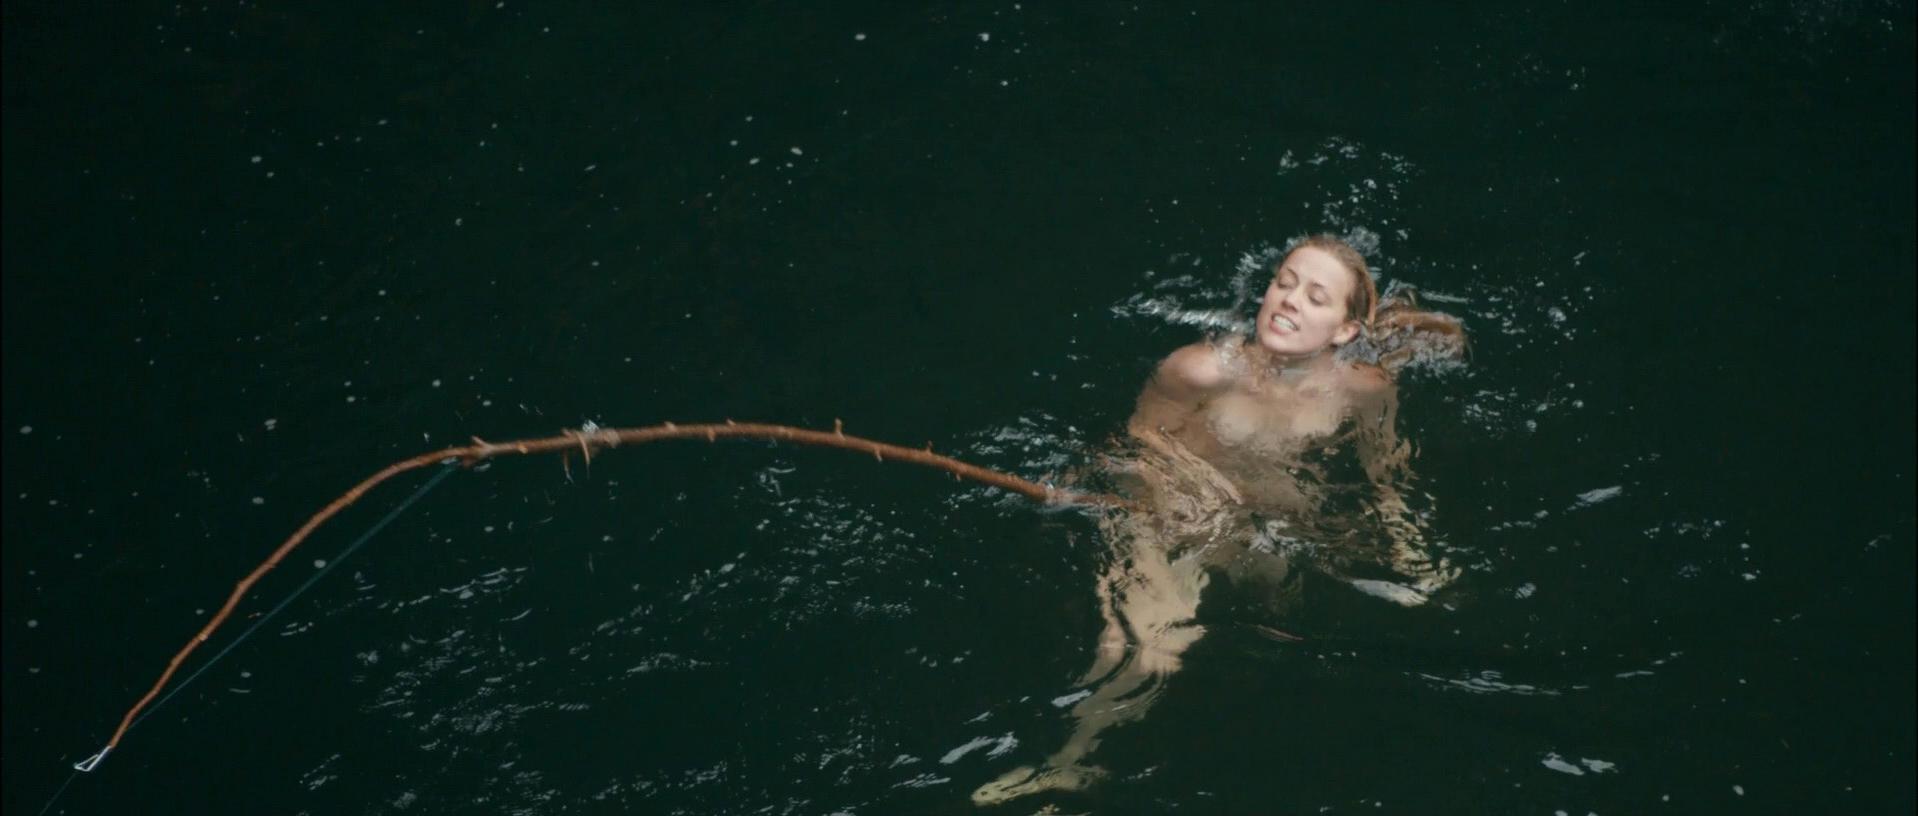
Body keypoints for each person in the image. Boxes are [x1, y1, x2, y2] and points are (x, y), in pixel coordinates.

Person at [972, 234, 1465, 805]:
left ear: (1345, 331)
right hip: (1172, 520)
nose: (1289, 299)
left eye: (1315, 297)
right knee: (1143, 646)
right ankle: (1064, 766)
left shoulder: (1364, 388)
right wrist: (1187, 492)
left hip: (1264, 531)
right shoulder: (1198, 370)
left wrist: (1407, 547)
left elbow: (1385, 471)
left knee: (1274, 629)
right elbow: (1136, 453)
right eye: (1283, 282)